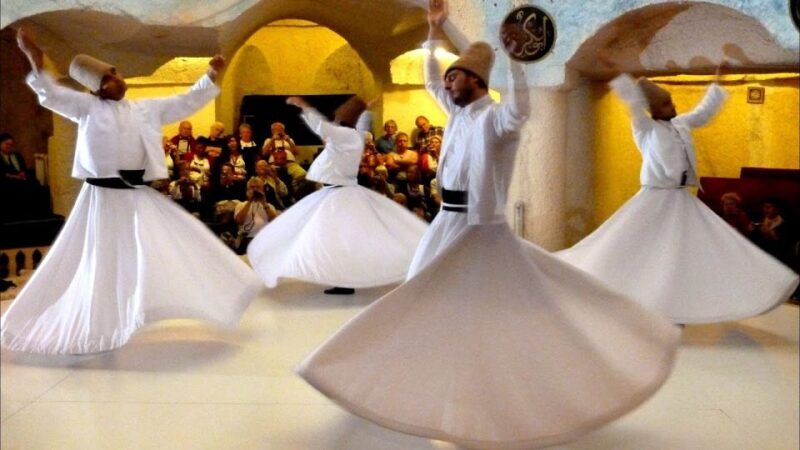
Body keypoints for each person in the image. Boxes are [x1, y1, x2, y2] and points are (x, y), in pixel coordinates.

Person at [296, 2, 680, 449]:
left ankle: (506, 386)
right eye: (449, 76)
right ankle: (408, 378)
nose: (447, 82)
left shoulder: (497, 119)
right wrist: (434, 33)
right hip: (445, 223)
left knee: (495, 312)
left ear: (476, 82)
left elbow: (520, 107)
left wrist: (516, 63)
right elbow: (428, 78)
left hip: (482, 233)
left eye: (455, 76)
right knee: (417, 295)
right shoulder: (457, 114)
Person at [0, 29, 261, 355]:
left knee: (181, 241)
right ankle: (99, 324)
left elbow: (183, 102)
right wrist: (33, 56)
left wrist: (210, 75)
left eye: (116, 72)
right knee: (102, 260)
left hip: (137, 195)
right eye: (111, 76)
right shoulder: (86, 107)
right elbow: (50, 93)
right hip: (103, 198)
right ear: (99, 87)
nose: (118, 78)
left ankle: (189, 299)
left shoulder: (144, 109)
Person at [558, 61, 799, 323]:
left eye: (670, 103)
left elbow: (703, 113)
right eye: (665, 105)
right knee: (630, 247)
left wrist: (717, 83)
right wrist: (621, 77)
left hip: (681, 199)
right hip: (655, 198)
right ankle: (626, 296)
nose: (673, 108)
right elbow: (634, 106)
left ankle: (677, 303)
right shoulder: (645, 129)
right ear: (653, 110)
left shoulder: (681, 124)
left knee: (688, 251)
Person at [247, 96, 427, 294]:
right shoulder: (356, 135)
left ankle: (342, 279)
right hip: (341, 192)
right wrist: (364, 108)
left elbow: (321, 127)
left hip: (338, 195)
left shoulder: (345, 134)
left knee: (334, 238)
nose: (335, 118)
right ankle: (341, 278)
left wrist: (304, 105)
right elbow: (356, 124)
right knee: (338, 239)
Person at [233, 178, 277, 255]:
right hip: (247, 239)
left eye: (258, 187)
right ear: (247, 190)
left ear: (262, 190)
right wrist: (250, 201)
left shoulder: (269, 206)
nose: (255, 190)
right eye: (252, 187)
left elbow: (275, 222)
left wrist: (264, 203)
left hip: (264, 239)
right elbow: (239, 221)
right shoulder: (241, 205)